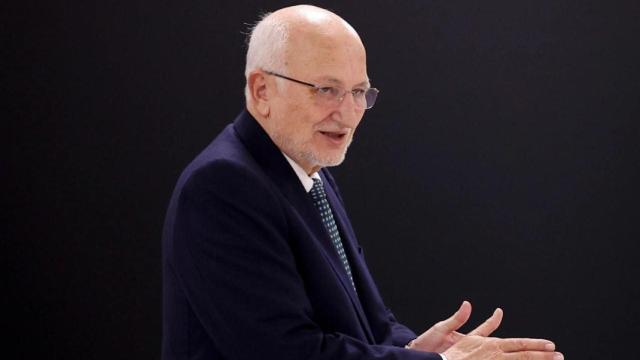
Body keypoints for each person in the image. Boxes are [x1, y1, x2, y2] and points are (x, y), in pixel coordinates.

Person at [162, 5, 563, 360]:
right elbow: (285, 351)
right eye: (327, 90)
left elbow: (370, 322)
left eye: (358, 92)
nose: (349, 113)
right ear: (262, 90)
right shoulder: (222, 186)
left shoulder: (308, 171)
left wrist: (413, 349)